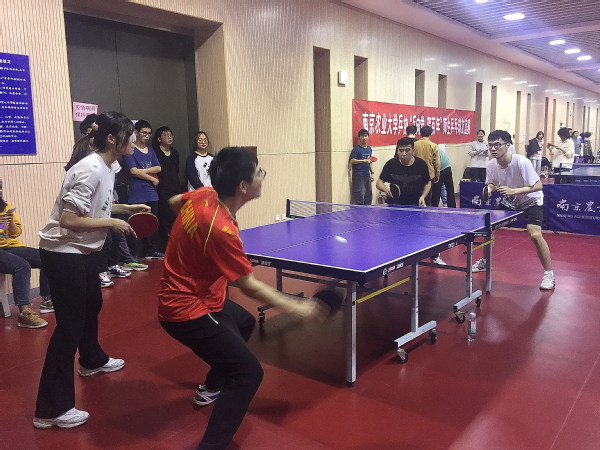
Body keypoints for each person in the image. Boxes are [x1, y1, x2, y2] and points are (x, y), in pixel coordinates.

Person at [158, 147, 325, 449]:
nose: (263, 176)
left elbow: (173, 202)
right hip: (186, 310)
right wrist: (297, 306)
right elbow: (248, 285)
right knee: (248, 373)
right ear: (243, 187)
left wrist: (190, 246)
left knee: (245, 322)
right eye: (259, 172)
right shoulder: (220, 229)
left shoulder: (204, 194)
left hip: (205, 296)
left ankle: (210, 387)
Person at [33, 111, 150, 429]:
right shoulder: (90, 169)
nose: (135, 139)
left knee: (92, 305)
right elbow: (69, 219)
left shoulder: (109, 166)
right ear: (112, 139)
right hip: (63, 252)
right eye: (129, 134)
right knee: (68, 326)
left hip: (83, 251)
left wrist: (124, 209)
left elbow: (96, 206)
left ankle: (92, 360)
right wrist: (112, 222)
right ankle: (50, 409)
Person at [471, 130, 554, 290]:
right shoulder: (491, 165)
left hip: (531, 200)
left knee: (535, 234)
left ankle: (549, 273)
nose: (493, 148)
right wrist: (490, 189)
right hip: (511, 200)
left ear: (508, 145)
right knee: (487, 228)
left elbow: (538, 185)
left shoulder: (522, 162)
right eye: (490, 145)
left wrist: (514, 191)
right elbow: (492, 183)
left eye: (497, 145)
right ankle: (485, 262)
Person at [0, 180, 52, 326]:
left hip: (9, 246)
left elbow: (15, 233)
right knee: (21, 266)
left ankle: (47, 300)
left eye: (0, 188)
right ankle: (24, 312)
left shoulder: (5, 206)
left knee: (46, 256)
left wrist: (9, 222)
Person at [122, 120, 164, 259]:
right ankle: (135, 253)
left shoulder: (151, 150)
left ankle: (151, 251)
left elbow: (158, 168)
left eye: (149, 133)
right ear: (136, 133)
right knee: (136, 223)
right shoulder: (130, 149)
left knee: (152, 222)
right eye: (144, 133)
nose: (147, 136)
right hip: (137, 192)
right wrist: (151, 178)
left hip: (151, 193)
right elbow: (133, 171)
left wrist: (143, 171)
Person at [152, 126, 181, 251]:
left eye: (170, 135)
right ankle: (165, 247)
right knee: (164, 217)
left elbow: (176, 171)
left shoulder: (175, 153)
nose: (169, 137)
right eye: (165, 135)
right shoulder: (155, 153)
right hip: (162, 189)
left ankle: (176, 245)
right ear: (159, 138)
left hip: (175, 188)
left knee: (176, 217)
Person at [413, 125, 440, 205]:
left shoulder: (414, 144)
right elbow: (436, 162)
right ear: (430, 134)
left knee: (416, 195)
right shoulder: (433, 145)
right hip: (429, 173)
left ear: (420, 133)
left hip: (416, 173)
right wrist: (437, 175)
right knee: (427, 196)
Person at [349, 128, 374, 205]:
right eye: (362, 136)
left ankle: (367, 211)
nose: (364, 138)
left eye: (365, 136)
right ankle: (358, 212)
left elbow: (370, 161)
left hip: (367, 176)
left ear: (368, 137)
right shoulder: (356, 149)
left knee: (368, 197)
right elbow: (352, 161)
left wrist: (372, 173)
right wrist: (363, 161)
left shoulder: (369, 149)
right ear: (359, 138)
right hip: (358, 176)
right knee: (359, 197)